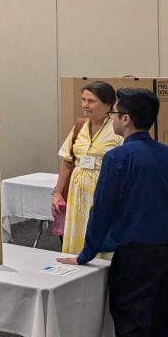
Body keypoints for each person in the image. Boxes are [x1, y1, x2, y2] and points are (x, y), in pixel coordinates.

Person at [58, 88, 168, 337]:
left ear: (125, 119)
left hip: (135, 258)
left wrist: (85, 254)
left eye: (115, 112)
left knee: (132, 333)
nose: (112, 117)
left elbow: (102, 213)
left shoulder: (118, 159)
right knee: (164, 328)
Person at [51, 81, 122, 256]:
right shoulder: (79, 127)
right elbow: (68, 161)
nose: (85, 105)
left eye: (91, 101)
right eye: (83, 100)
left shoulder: (117, 130)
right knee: (77, 230)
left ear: (108, 105)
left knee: (99, 230)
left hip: (103, 191)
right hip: (77, 193)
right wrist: (58, 193)